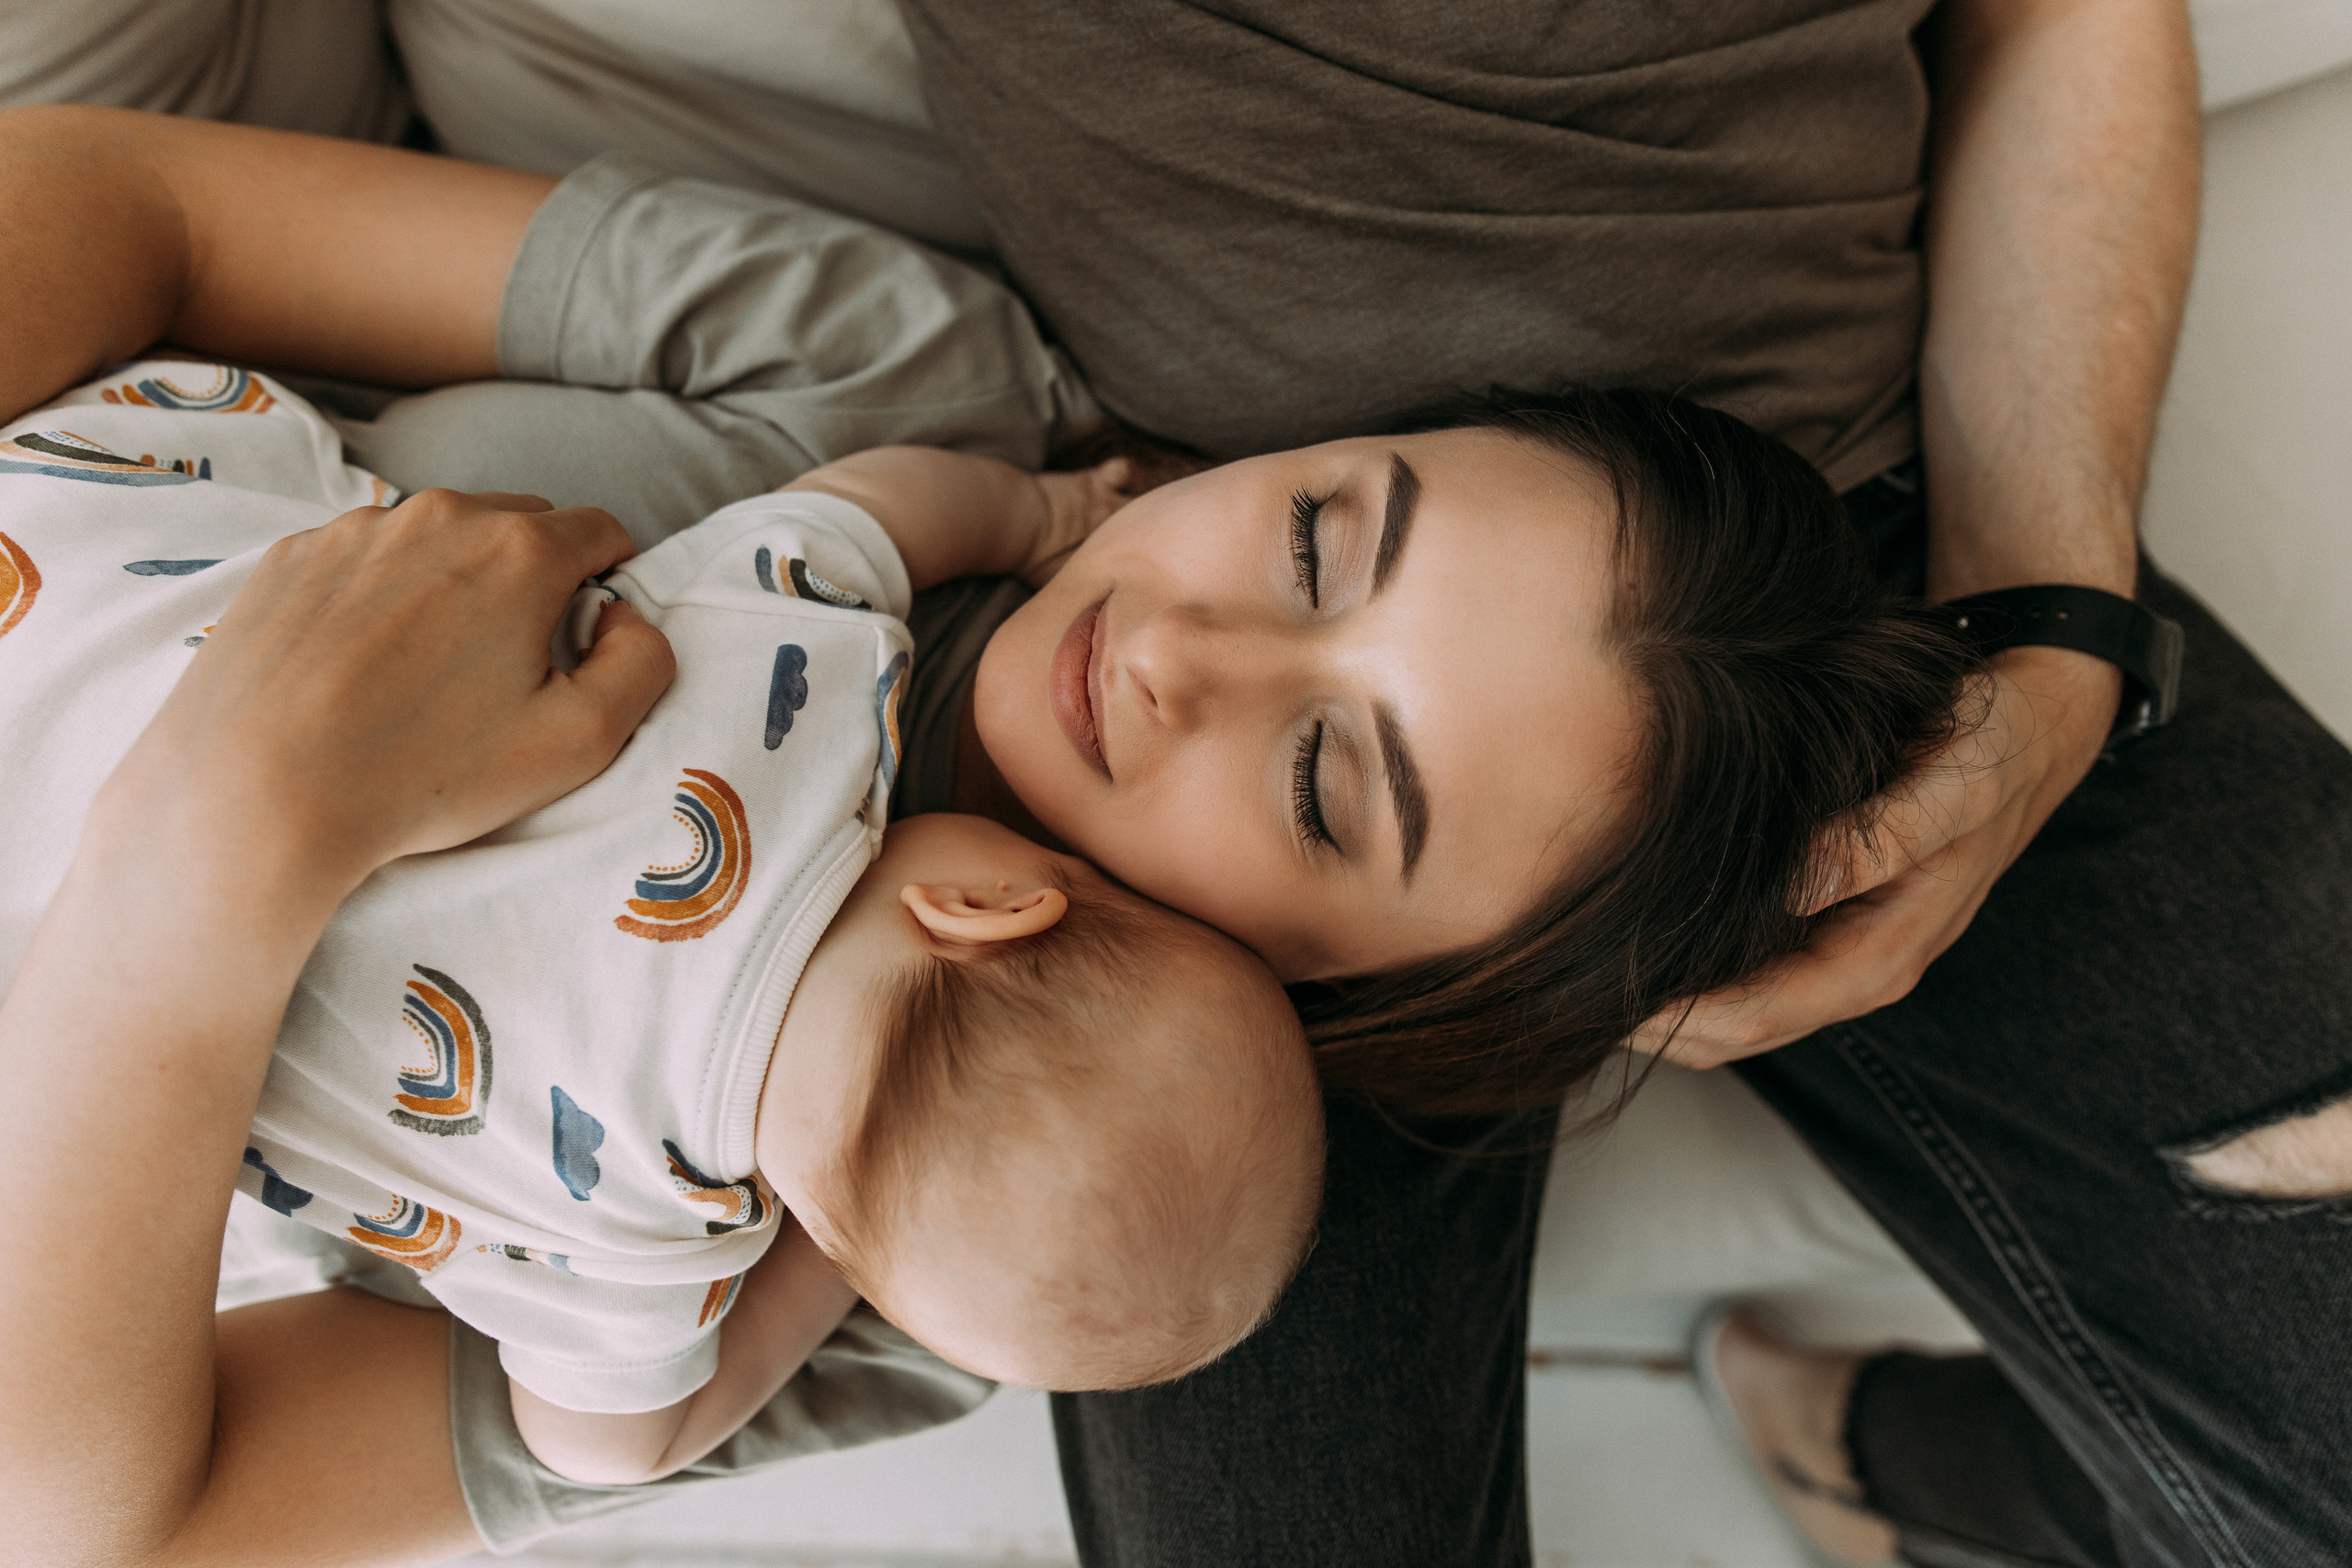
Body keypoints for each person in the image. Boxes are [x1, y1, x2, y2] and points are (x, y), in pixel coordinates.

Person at [9, 4, 2348, 1565]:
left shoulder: (931, 1240)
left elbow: (101, 1518)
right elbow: (137, 209)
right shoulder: (888, 381)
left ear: (1347, 992)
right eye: (1320, 523)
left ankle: (1929, 1467)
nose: (1185, 645)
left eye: (1328, 787)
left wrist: (225, 852)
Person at [0, 351, 1326, 1482]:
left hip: (61, 547)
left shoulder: (794, 687)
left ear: (994, 903)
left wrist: (1047, 513)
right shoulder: (628, 1257)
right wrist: (848, 1246)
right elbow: (613, 1451)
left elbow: (872, 511)